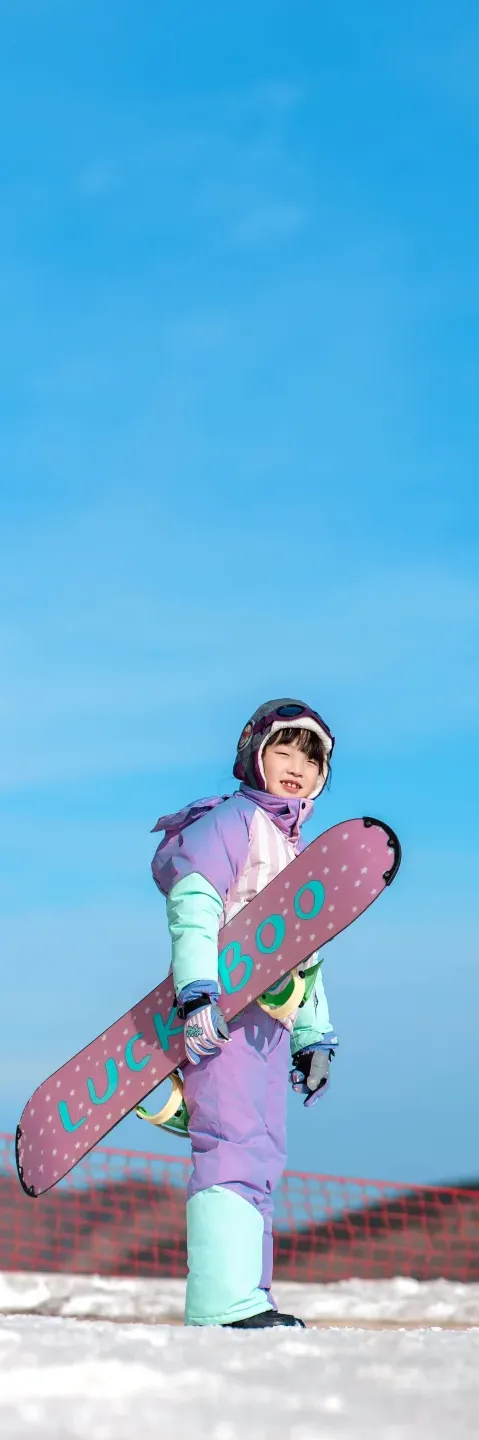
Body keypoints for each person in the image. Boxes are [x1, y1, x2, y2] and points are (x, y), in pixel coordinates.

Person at [151, 699, 337, 1328]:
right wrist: (197, 990)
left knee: (263, 1152)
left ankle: (249, 1296)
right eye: (283, 751)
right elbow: (194, 902)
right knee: (230, 1141)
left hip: (272, 1026)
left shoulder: (295, 846)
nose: (298, 768)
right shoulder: (235, 821)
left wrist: (313, 1036)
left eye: (312, 760)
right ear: (254, 756)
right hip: (224, 1012)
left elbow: (304, 952)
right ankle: (222, 1303)